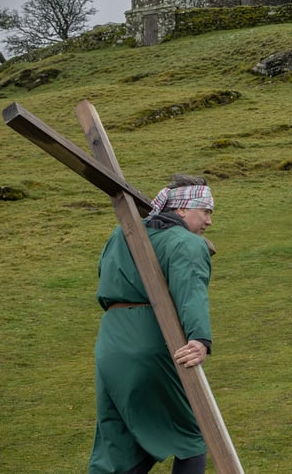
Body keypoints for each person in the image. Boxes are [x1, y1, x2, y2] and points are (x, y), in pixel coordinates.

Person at [88, 174, 215, 474]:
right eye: (206, 211)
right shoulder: (186, 243)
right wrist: (200, 339)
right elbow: (191, 292)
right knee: (192, 434)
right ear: (182, 209)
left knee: (119, 443)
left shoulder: (123, 234)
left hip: (110, 344)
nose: (209, 221)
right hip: (153, 340)